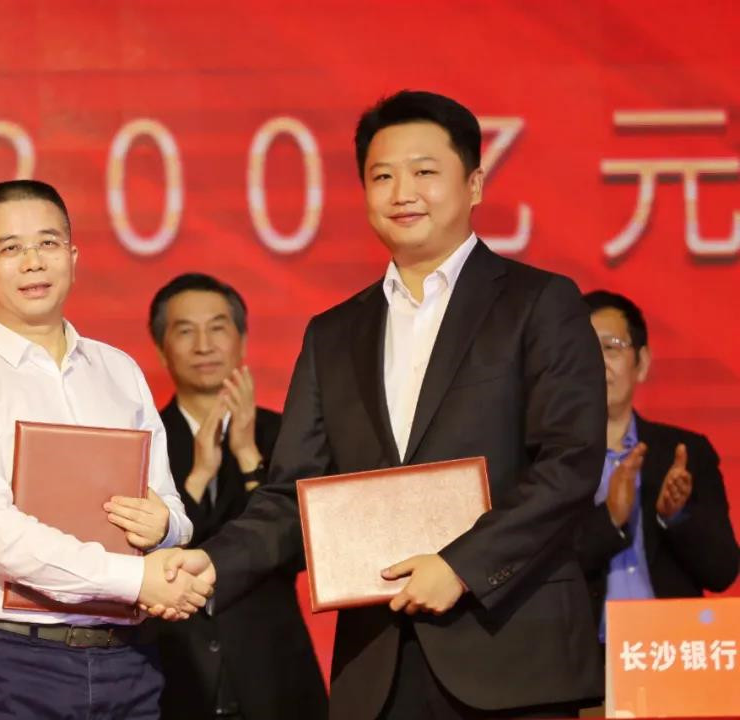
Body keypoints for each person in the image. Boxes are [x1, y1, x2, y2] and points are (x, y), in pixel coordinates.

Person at [155, 90, 607, 719]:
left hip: (510, 652)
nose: (403, 193)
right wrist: (209, 563)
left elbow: (570, 461)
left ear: (474, 184)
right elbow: (294, 497)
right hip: (379, 667)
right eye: (382, 176)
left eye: (425, 172)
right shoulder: (334, 333)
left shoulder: (538, 303)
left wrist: (461, 567)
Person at [0, 179, 212, 720]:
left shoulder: (119, 371)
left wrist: (167, 529)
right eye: (10, 248)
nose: (33, 261)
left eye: (48, 243)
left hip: (129, 660)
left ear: (73, 257)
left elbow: (169, 504)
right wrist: (136, 580)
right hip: (16, 664)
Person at [147, 273, 327, 719]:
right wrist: (197, 479)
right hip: (175, 672)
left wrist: (249, 459)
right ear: (161, 349)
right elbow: (144, 559)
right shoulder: (145, 442)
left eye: (218, 327)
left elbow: (305, 553)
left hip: (273, 670)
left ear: (242, 341)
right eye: (185, 331)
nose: (203, 345)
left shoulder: (285, 433)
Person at [575, 290, 738, 637]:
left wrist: (675, 516)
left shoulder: (686, 452)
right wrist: (610, 520)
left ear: (643, 362)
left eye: (610, 347)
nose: (596, 362)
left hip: (669, 652)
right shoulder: (546, 456)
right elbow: (534, 573)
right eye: (582, 348)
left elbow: (722, 572)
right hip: (583, 657)